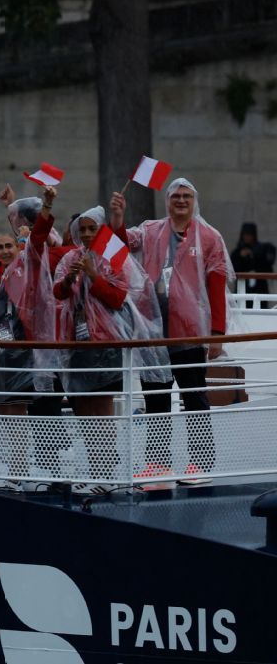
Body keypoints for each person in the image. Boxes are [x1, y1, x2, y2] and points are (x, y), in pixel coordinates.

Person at [111, 180, 232, 482]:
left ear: (194, 200)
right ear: (166, 201)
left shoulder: (209, 236)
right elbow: (119, 246)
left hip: (190, 330)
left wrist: (217, 333)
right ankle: (158, 463)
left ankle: (201, 464)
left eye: (186, 196)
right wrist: (117, 220)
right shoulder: (151, 230)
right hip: (154, 327)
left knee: (194, 396)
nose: (180, 200)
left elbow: (217, 286)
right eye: (175, 196)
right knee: (155, 396)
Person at [53, 206, 169, 486]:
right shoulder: (71, 257)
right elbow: (57, 292)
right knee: (82, 407)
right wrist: (70, 278)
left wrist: (93, 274)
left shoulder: (114, 256)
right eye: (83, 229)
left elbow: (118, 297)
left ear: (102, 229)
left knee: (101, 409)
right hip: (77, 342)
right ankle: (95, 469)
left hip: (106, 342)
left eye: (93, 228)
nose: (87, 233)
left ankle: (105, 474)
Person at [0, 185, 60, 480]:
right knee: (5, 412)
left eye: (10, 246)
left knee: (21, 410)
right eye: (0, 248)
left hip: (22, 348)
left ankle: (26, 469)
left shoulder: (27, 267)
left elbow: (37, 237)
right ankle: (16, 466)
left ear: (18, 248)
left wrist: (45, 206)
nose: (6, 251)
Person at [231, 222, 275, 301]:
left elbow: (268, 265)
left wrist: (254, 254)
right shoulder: (237, 252)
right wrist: (241, 256)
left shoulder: (261, 249)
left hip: (259, 289)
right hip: (243, 290)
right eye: (245, 235)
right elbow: (233, 269)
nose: (247, 237)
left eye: (249, 235)